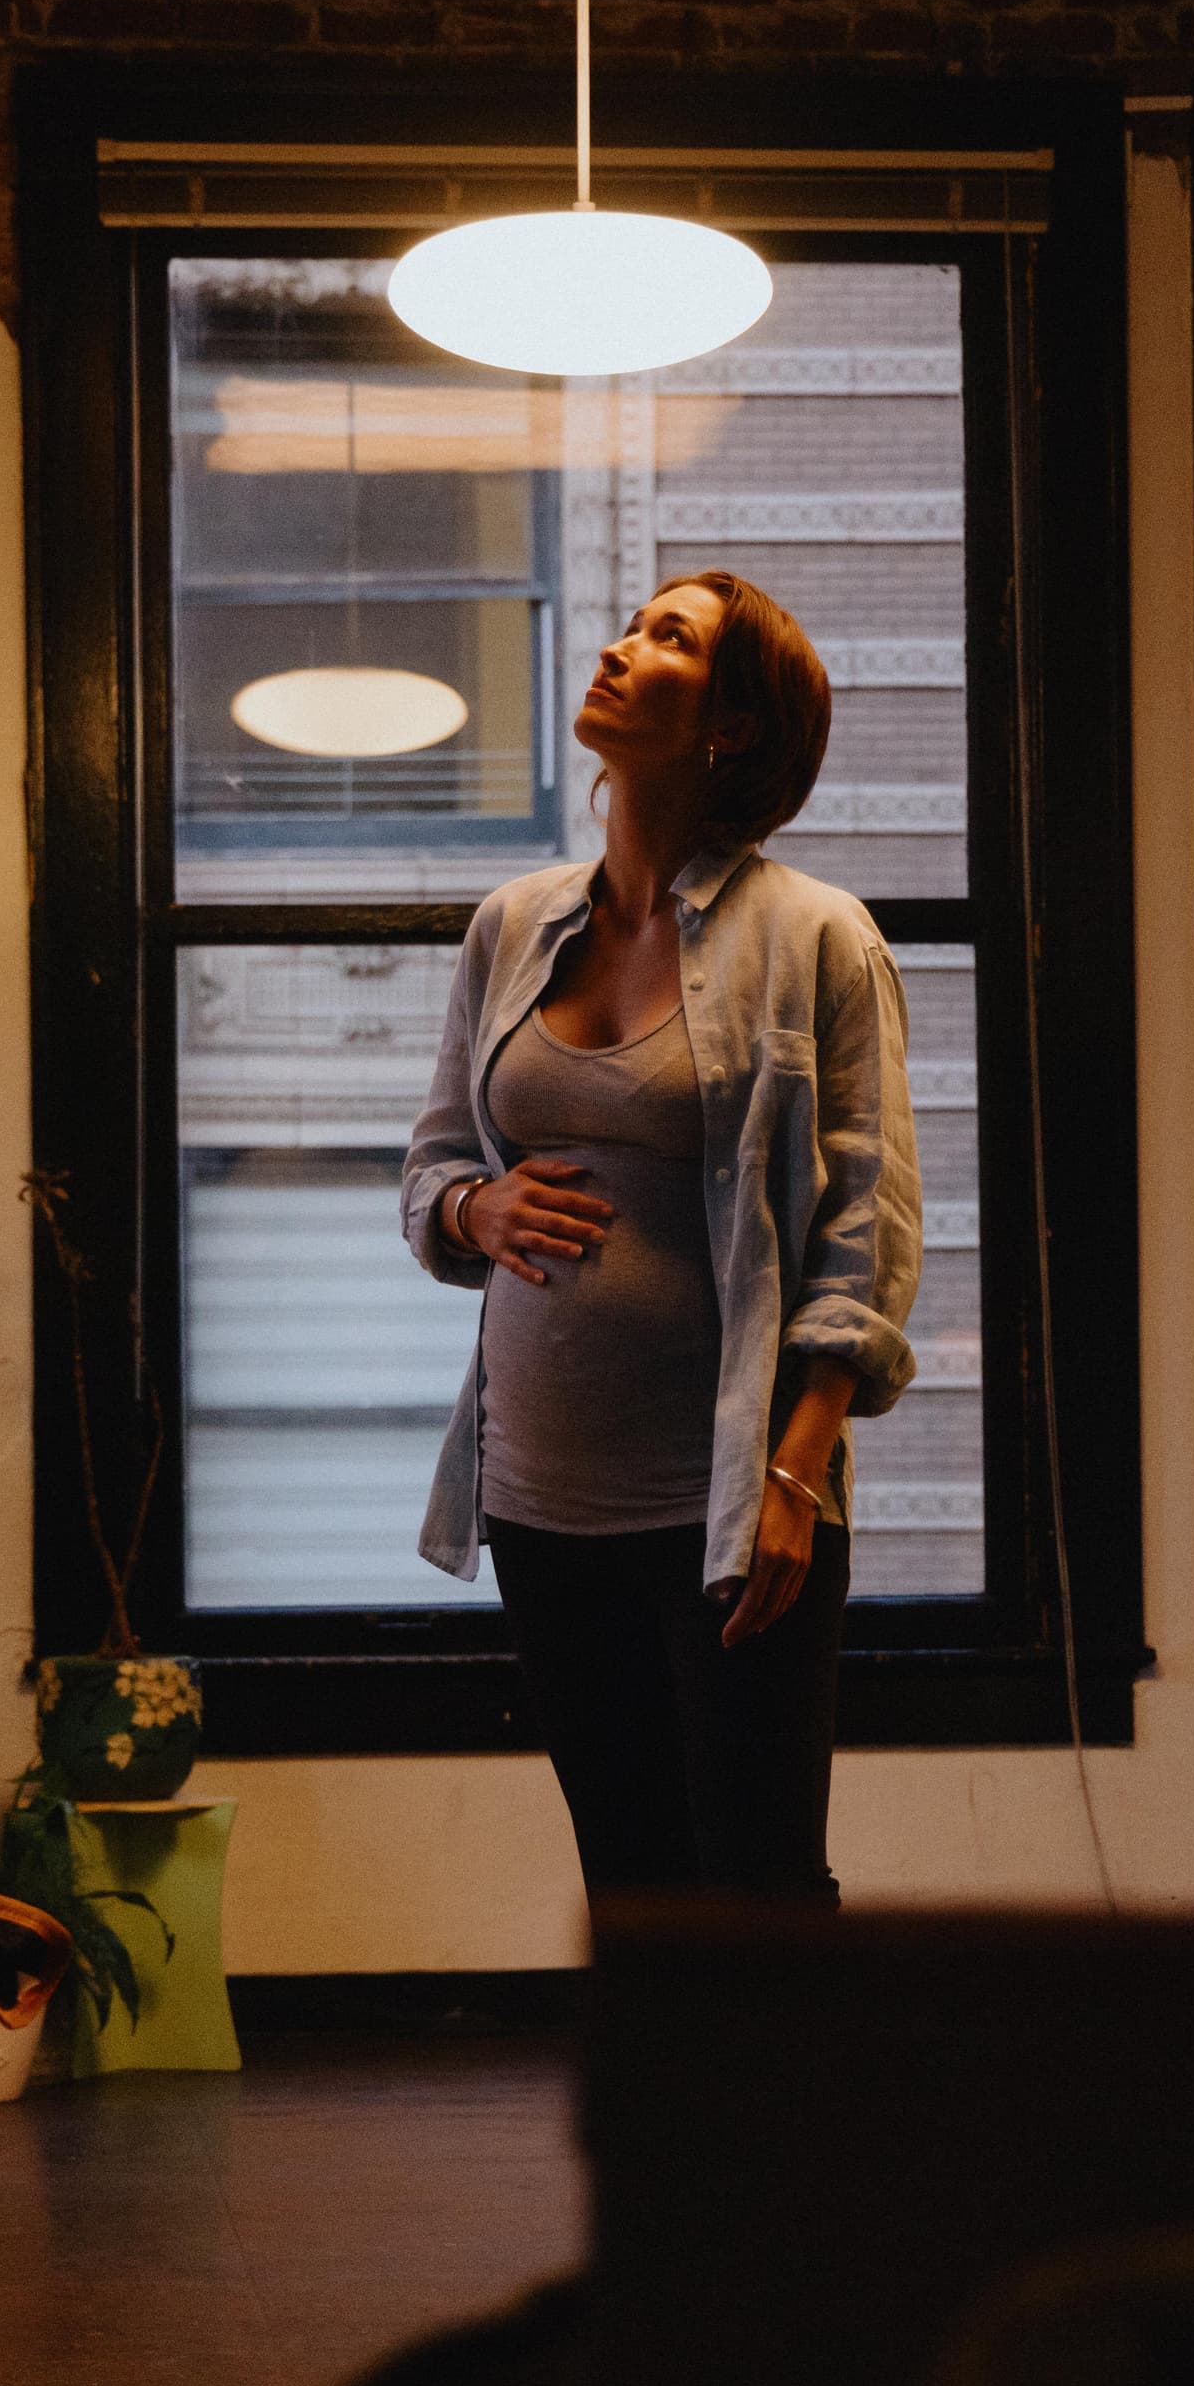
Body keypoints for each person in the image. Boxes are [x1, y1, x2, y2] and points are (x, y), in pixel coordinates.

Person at [401, 570, 921, 1908]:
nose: (621, 650)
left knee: (755, 1882)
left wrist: (794, 1483)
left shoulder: (819, 938)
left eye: (669, 639)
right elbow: (433, 1169)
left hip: (731, 1510)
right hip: (538, 1501)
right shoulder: (512, 927)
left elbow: (866, 1240)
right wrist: (480, 1205)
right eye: (630, 626)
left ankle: (790, 2127)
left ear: (731, 725)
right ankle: (668, 2128)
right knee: (632, 1885)